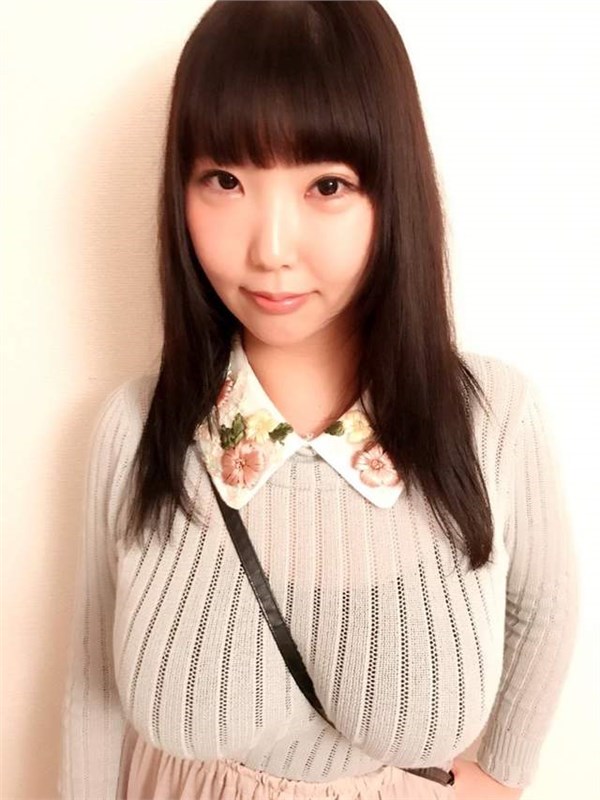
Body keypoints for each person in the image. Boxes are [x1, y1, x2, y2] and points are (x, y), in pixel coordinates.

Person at [59, 2, 580, 798]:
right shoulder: (135, 430)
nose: (271, 249)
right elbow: (94, 688)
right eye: (226, 180)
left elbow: (546, 606)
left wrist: (504, 775)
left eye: (327, 185)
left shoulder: (493, 417)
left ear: (391, 194)